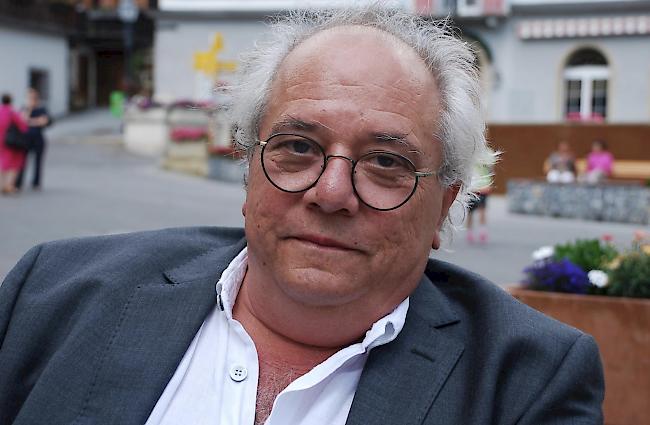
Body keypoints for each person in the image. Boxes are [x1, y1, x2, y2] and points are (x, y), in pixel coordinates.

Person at [0, 6, 604, 425]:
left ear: (444, 206)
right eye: (297, 147)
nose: (331, 193)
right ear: (248, 168)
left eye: (386, 161)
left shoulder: (527, 383)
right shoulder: (52, 294)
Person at [16, 88, 51, 191]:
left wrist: (29, 121)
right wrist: (29, 110)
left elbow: (44, 121)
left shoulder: (42, 109)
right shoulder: (24, 108)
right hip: (25, 139)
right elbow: (22, 120)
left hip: (38, 139)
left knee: (38, 162)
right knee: (22, 161)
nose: (32, 99)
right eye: (30, 97)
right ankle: (19, 183)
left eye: (34, 97)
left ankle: (36, 183)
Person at [0, 93, 29, 195]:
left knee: (3, 163)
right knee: (14, 164)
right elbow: (23, 127)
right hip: (11, 142)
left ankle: (2, 185)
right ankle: (9, 186)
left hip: (1, 142)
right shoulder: (12, 112)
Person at [466, 161, 493, 243]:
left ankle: (471, 233)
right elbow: (491, 170)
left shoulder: (471, 155)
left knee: (471, 212)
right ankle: (481, 232)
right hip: (482, 186)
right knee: (481, 210)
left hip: (473, 186)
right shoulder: (487, 156)